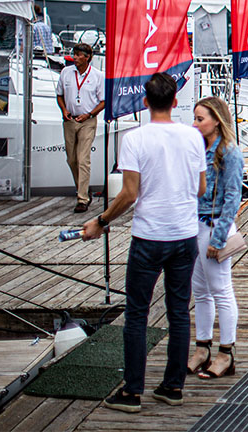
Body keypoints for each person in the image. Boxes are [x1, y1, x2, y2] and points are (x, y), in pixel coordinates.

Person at [82, 73, 206, 414]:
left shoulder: (135, 139)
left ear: (146, 102)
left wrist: (101, 221)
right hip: (184, 235)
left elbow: (129, 194)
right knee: (179, 312)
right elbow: (200, 189)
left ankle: (133, 391)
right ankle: (173, 386)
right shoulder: (192, 137)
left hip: (149, 236)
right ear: (176, 102)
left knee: (137, 313)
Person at [188, 97, 244, 380]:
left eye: (201, 119)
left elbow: (234, 196)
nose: (196, 123)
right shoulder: (200, 148)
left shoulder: (229, 152)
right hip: (196, 225)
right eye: (195, 118)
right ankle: (202, 347)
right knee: (200, 290)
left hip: (214, 226)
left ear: (216, 120)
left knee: (221, 290)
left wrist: (218, 238)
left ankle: (226, 353)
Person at [56, 42, 105, 212]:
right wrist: (63, 110)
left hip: (87, 120)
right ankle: (83, 188)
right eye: (74, 54)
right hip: (70, 119)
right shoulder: (66, 72)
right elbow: (59, 95)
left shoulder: (98, 76)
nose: (75, 58)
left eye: (78, 55)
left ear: (87, 58)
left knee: (83, 158)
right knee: (72, 159)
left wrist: (90, 114)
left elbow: (103, 101)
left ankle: (82, 198)